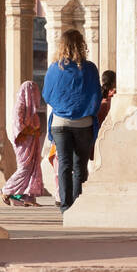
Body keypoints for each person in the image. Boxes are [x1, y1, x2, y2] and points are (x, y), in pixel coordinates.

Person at [41, 30, 102, 213]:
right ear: (82, 44)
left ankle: (65, 206)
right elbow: (95, 96)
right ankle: (77, 206)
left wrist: (64, 108)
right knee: (79, 166)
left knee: (64, 165)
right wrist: (83, 110)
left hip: (60, 123)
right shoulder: (90, 69)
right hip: (83, 124)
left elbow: (47, 95)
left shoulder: (54, 68)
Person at [1, 80, 46, 206]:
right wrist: (33, 132)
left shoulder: (32, 110)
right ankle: (7, 190)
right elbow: (18, 127)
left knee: (33, 168)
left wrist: (36, 132)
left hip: (33, 142)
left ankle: (27, 197)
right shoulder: (20, 106)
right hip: (24, 144)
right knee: (24, 168)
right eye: (33, 91)